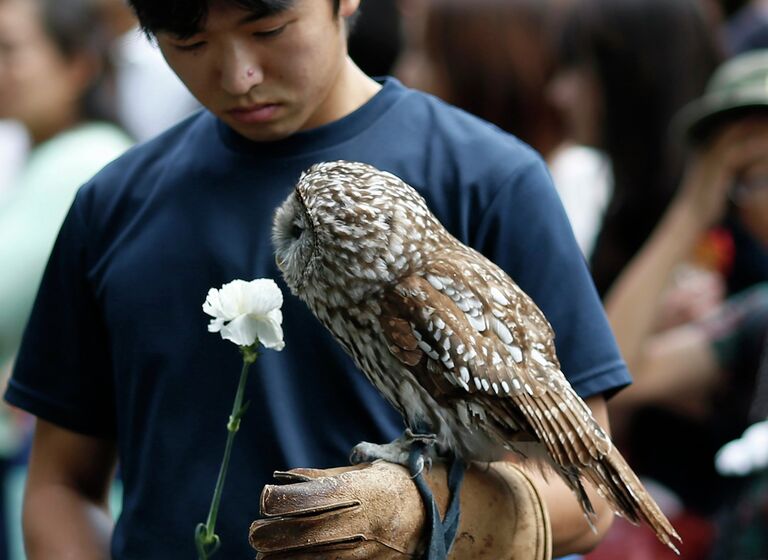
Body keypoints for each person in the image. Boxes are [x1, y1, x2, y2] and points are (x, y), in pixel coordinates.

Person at [4, 1, 635, 558]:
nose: (237, 74)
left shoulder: (485, 177)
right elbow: (60, 484)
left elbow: (590, 488)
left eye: (270, 28)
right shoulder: (115, 203)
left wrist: (422, 513)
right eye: (189, 44)